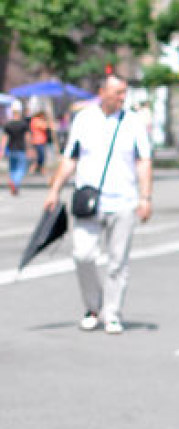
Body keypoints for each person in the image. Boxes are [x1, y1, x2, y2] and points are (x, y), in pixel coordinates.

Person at [42, 75, 154, 335]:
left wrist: (145, 197)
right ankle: (93, 306)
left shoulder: (134, 122)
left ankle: (112, 312)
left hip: (124, 199)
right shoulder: (84, 119)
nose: (122, 97)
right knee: (83, 255)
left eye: (124, 92)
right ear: (102, 91)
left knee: (117, 262)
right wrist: (54, 189)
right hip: (89, 199)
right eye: (117, 92)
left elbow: (144, 161)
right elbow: (71, 157)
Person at [4, 103, 31, 196]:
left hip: (11, 149)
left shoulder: (8, 124)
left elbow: (5, 138)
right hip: (21, 149)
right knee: (21, 169)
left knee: (12, 168)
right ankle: (15, 183)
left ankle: (13, 182)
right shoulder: (23, 124)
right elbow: (27, 137)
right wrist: (29, 148)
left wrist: (2, 150)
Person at [29, 109, 51, 179]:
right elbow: (44, 127)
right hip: (37, 141)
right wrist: (48, 123)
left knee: (41, 156)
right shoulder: (36, 120)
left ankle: (39, 169)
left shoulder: (37, 120)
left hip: (41, 141)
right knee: (39, 157)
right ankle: (34, 169)